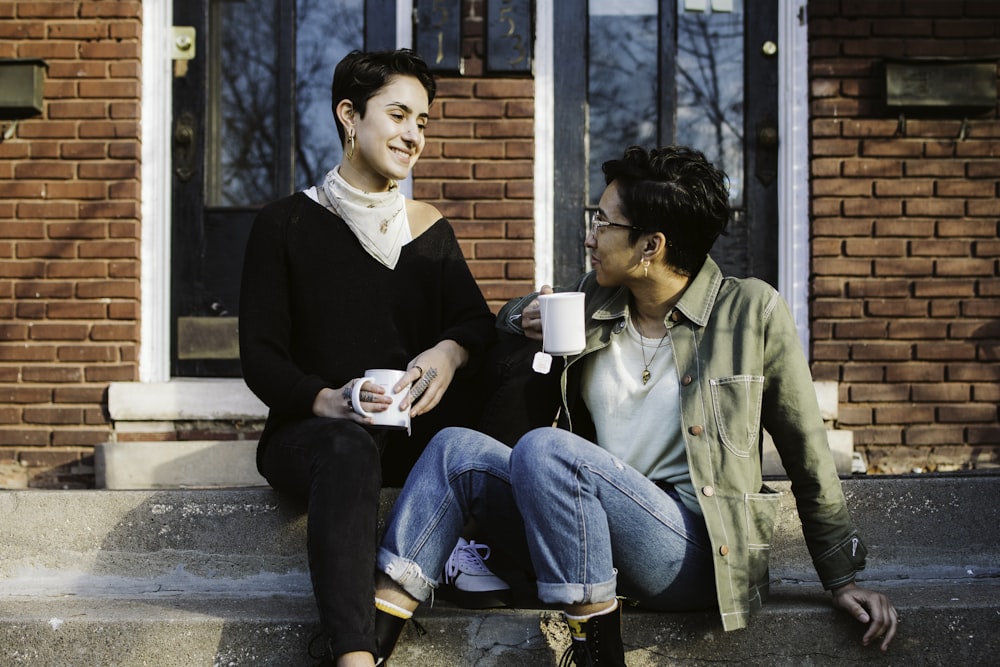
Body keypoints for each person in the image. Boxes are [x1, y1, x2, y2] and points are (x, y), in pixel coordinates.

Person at [369, 145, 899, 664]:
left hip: (695, 547)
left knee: (548, 450)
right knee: (452, 450)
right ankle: (362, 652)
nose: (590, 237)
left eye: (603, 224)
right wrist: (521, 315)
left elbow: (807, 454)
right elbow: (505, 319)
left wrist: (841, 578)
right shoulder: (595, 303)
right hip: (591, 525)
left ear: (651, 246)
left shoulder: (751, 311)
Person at [238, 49, 503, 667]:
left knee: (523, 360)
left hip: (411, 434)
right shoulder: (284, 224)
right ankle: (354, 652)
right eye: (399, 115)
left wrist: (448, 350)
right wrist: (327, 399)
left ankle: (475, 543)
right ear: (349, 116)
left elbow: (475, 323)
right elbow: (261, 357)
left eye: (423, 123)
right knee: (348, 446)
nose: (413, 135)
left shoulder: (429, 228)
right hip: (318, 437)